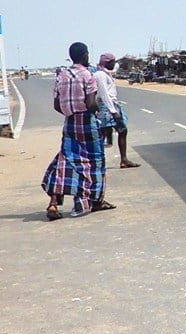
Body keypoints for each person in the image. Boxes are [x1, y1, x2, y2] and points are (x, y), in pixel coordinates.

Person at [42, 42, 115, 219]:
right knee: (94, 162)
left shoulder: (62, 76)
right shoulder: (87, 75)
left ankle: (53, 204)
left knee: (65, 161)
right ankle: (94, 201)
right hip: (87, 122)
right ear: (84, 55)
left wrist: (70, 112)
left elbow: (56, 105)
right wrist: (97, 110)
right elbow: (90, 103)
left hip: (70, 123)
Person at [94, 52, 140, 169]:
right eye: (112, 62)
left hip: (112, 105)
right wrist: (113, 111)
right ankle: (99, 162)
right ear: (107, 63)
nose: (114, 64)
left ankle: (123, 160)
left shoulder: (107, 73)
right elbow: (103, 94)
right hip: (106, 106)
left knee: (122, 130)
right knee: (103, 135)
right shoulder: (100, 75)